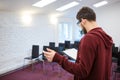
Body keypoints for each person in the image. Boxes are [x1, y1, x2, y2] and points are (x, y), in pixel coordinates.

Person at [43, 6, 113, 80]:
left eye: (79, 23)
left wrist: (58, 58)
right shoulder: (105, 36)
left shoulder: (89, 38)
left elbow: (82, 71)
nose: (80, 27)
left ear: (83, 21)